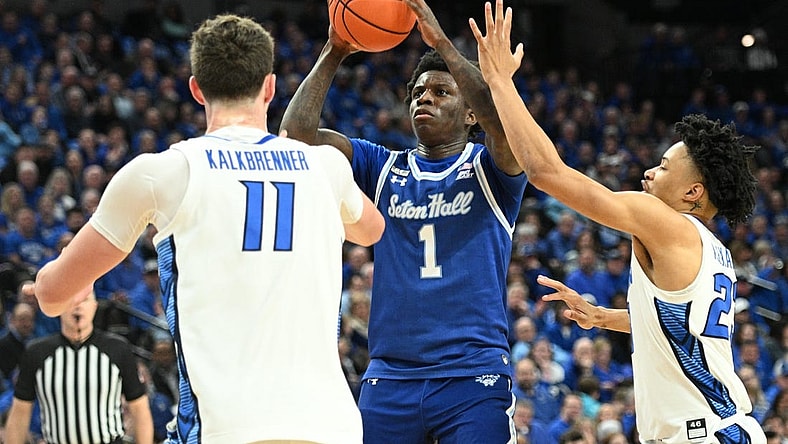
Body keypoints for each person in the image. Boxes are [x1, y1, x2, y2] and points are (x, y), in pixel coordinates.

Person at [22, 13, 384, 444]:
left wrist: (46, 282)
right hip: (332, 428)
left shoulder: (163, 173)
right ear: (269, 87)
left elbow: (51, 297)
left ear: (196, 88)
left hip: (224, 430)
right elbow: (372, 231)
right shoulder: (326, 166)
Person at [470, 1, 767, 442]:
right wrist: (605, 317)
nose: (649, 172)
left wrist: (498, 82)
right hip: (724, 428)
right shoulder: (712, 249)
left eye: (664, 167)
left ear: (693, 192)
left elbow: (547, 173)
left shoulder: (663, 221)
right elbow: (677, 324)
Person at [281, 0, 526, 441]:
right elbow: (295, 140)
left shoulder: (494, 169)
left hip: (471, 374)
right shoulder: (382, 167)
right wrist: (334, 50)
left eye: (440, 92)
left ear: (470, 113)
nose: (425, 99)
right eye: (418, 93)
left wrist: (443, 45)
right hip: (391, 376)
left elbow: (504, 125)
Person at [4, 288, 154, 444]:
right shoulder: (37, 352)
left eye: (85, 300)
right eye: (71, 301)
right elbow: (19, 414)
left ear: (95, 306)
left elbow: (140, 409)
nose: (78, 306)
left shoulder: (117, 348)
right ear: (59, 307)